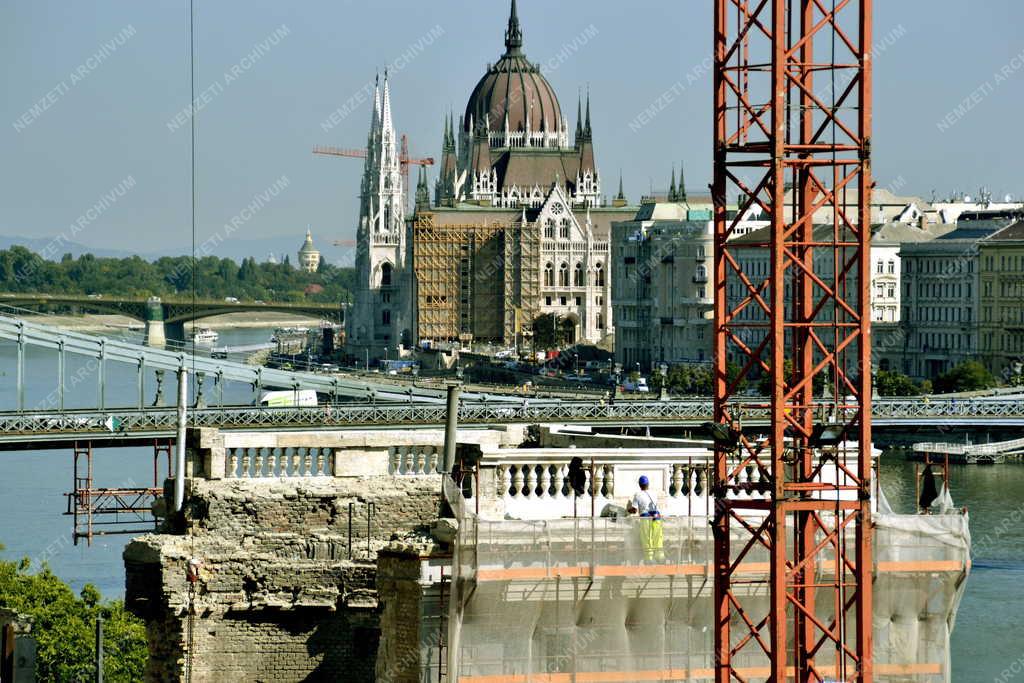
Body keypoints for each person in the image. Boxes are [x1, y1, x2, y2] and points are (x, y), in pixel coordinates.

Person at [627, 475, 665, 562]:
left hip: (645, 517)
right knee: (658, 536)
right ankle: (660, 556)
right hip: (656, 516)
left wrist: (628, 510)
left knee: (647, 537)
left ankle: (649, 558)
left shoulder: (637, 495)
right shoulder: (654, 493)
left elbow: (634, 510)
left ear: (640, 485)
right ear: (648, 484)